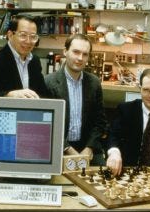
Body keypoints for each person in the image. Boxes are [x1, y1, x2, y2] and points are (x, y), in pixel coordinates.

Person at [45, 34, 107, 165]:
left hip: (87, 147)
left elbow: (100, 122)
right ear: (65, 51)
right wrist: (68, 150)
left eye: (85, 54)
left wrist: (89, 148)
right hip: (59, 146)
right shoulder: (49, 82)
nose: (80, 58)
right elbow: (47, 125)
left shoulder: (94, 83)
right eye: (76, 52)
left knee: (100, 179)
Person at [0, 15, 48, 98]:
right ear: (10, 35)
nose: (28, 41)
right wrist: (9, 95)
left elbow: (43, 93)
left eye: (33, 36)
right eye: (23, 35)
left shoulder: (34, 61)